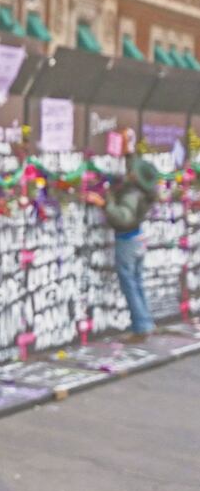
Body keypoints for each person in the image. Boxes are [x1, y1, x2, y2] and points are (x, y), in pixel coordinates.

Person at [85, 128, 160, 342]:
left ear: (135, 178)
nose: (130, 171)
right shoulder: (144, 190)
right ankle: (146, 322)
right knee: (136, 281)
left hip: (127, 240)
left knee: (129, 283)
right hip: (138, 239)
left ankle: (141, 326)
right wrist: (128, 149)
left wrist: (103, 203)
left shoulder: (131, 193)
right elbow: (135, 168)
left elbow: (123, 218)